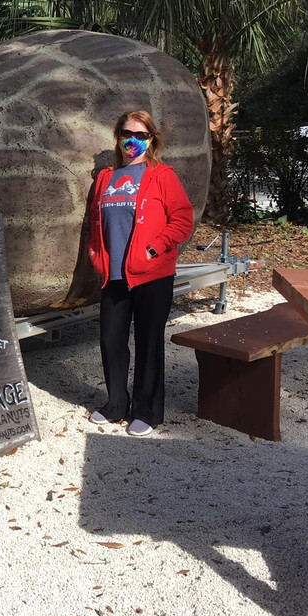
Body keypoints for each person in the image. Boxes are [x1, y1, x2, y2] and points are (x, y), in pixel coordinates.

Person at [86, 110, 194, 436]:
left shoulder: (162, 176)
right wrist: (95, 255)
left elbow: (182, 221)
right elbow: (95, 223)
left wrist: (153, 249)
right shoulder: (106, 178)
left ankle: (146, 411)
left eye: (141, 135)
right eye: (126, 133)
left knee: (148, 343)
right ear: (118, 137)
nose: (133, 140)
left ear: (151, 140)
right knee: (111, 341)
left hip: (152, 274)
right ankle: (116, 404)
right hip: (114, 275)